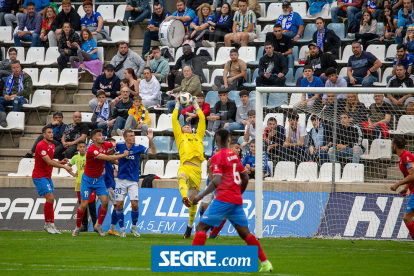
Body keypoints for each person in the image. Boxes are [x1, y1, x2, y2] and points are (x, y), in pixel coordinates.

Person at [191, 129, 273, 273]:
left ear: (216, 139)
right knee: (245, 234)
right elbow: (245, 177)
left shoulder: (217, 157)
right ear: (229, 140)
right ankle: (265, 262)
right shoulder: (234, 156)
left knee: (201, 228)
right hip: (236, 200)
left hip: (223, 199)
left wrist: (200, 196)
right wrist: (238, 194)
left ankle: (192, 263)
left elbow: (216, 180)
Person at [72, 129, 129, 237]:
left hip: (99, 179)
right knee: (83, 205)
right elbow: (107, 157)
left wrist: (116, 144)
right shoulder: (92, 150)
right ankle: (77, 227)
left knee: (105, 202)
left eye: (102, 135)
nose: (102, 136)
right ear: (94, 139)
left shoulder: (104, 144)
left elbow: (113, 144)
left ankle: (99, 225)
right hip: (87, 180)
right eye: (100, 135)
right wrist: (122, 156)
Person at [172, 96, 206, 239]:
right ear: (181, 130)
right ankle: (184, 198)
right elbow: (174, 120)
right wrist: (177, 105)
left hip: (197, 171)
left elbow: (202, 119)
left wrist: (196, 106)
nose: (186, 127)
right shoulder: (179, 136)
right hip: (185, 167)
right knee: (181, 177)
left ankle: (189, 227)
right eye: (184, 126)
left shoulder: (198, 136)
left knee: (194, 201)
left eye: (188, 126)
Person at [115, 129, 156, 237]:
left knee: (134, 204)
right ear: (125, 138)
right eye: (131, 136)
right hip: (120, 180)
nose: (134, 137)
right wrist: (118, 157)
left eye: (134, 135)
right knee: (119, 205)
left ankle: (133, 227)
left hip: (133, 180)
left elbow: (153, 152)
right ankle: (122, 229)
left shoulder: (138, 147)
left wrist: (151, 140)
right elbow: (109, 152)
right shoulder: (119, 146)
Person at [32, 125, 73, 234]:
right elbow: (49, 162)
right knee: (50, 197)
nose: (51, 134)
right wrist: (64, 167)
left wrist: (61, 162)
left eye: (52, 132)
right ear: (44, 135)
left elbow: (50, 161)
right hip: (39, 176)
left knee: (51, 199)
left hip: (47, 176)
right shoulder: (41, 145)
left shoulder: (52, 146)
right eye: (49, 132)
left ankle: (52, 225)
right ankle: (47, 224)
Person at [390, 136, 414, 241]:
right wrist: (405, 188)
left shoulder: (407, 157)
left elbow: (413, 175)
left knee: (406, 218)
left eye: (391, 145)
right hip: (412, 189)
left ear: (394, 146)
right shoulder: (403, 157)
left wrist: (397, 184)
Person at [69, 141, 97, 232]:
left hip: (90, 183)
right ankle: (84, 226)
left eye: (83, 146)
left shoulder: (89, 156)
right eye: (80, 147)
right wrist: (73, 173)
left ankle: (95, 225)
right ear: (77, 148)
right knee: (82, 205)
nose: (82, 148)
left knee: (91, 205)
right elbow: (68, 166)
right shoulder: (75, 157)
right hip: (79, 183)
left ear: (86, 147)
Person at [102, 137, 120, 236]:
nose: (113, 149)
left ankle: (98, 224)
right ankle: (112, 228)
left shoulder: (105, 156)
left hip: (105, 183)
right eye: (111, 146)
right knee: (118, 205)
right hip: (109, 183)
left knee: (104, 204)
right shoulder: (106, 156)